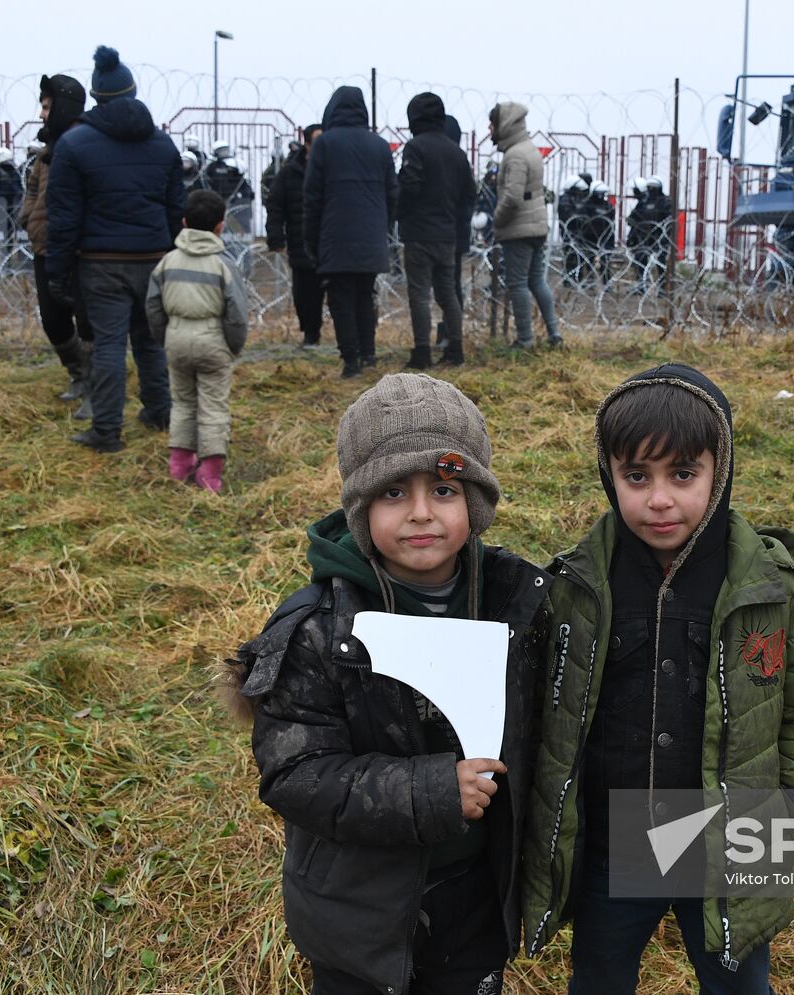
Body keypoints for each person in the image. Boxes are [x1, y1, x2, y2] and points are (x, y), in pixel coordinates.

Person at [220, 372, 550, 995]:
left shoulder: (519, 604)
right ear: (361, 506)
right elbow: (296, 773)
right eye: (394, 491)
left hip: (476, 893)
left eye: (445, 489)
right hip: (358, 906)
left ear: (474, 503)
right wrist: (430, 792)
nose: (421, 512)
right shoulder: (319, 630)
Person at [521, 363, 794, 995]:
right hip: (617, 838)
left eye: (683, 475)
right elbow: (546, 708)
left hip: (725, 844)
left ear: (720, 472)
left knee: (737, 980)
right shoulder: (579, 586)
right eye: (637, 477)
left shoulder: (767, 589)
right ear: (609, 476)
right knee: (600, 976)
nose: (659, 499)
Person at [45, 45, 182, 454]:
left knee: (108, 344)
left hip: (100, 263)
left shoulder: (74, 145)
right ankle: (160, 412)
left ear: (96, 96)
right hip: (153, 256)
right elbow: (177, 209)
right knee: (150, 341)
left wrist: (57, 271)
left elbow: (64, 216)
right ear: (133, 91)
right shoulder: (163, 145)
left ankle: (107, 431)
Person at [145, 190, 250, 492]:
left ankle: (179, 464)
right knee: (213, 405)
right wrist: (233, 346)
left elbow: (152, 307)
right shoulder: (223, 265)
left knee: (182, 402)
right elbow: (236, 315)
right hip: (213, 342)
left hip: (176, 339)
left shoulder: (167, 262)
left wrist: (165, 337)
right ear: (221, 226)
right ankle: (210, 474)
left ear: (184, 222)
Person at [303, 85, 397, 378]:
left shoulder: (325, 144)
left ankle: (351, 360)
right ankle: (368, 354)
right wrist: (381, 225)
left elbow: (312, 196)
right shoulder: (380, 146)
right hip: (371, 235)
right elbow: (393, 193)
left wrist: (311, 239)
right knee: (364, 294)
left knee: (341, 297)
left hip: (335, 233)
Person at [19, 72, 90, 402]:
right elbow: (33, 189)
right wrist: (28, 217)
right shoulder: (47, 151)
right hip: (45, 246)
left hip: (79, 250)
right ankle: (78, 372)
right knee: (53, 319)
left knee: (87, 319)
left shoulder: (85, 145)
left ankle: (94, 380)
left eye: (47, 106)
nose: (41, 113)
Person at [398, 92, 475, 369]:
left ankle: (422, 352)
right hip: (447, 234)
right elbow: (469, 193)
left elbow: (409, 186)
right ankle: (455, 349)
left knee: (419, 294)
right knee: (447, 294)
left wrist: (401, 213)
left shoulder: (415, 147)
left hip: (419, 233)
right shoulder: (456, 152)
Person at [490, 101, 561, 348]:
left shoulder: (515, 155)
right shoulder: (528, 148)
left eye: (493, 124)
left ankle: (525, 340)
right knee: (536, 280)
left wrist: (496, 221)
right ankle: (554, 335)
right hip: (536, 225)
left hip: (519, 229)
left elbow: (512, 197)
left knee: (518, 284)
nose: (490, 129)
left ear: (504, 125)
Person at [265, 123, 325, 347]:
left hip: (330, 240)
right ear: (307, 144)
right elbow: (275, 204)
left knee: (337, 291)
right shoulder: (291, 171)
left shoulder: (332, 169)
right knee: (304, 293)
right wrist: (275, 237)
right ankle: (311, 334)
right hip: (301, 240)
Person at [439, 114, 473, 350]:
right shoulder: (460, 161)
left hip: (448, 236)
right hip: (455, 236)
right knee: (450, 288)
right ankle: (450, 336)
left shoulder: (451, 163)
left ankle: (450, 336)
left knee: (448, 289)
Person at [558, 174, 590, 288]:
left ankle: (577, 278)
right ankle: (568, 279)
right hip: (569, 232)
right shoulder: (565, 199)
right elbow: (568, 215)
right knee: (570, 256)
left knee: (580, 257)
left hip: (579, 233)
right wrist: (580, 218)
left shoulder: (577, 199)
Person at [585, 181, 616, 286]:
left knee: (605, 261)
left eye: (603, 193)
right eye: (599, 193)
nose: (601, 195)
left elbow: (611, 219)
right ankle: (590, 282)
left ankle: (606, 283)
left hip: (605, 236)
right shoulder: (588, 205)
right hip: (590, 236)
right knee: (589, 260)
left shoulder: (607, 205)